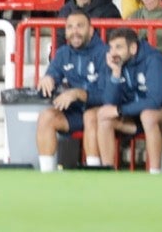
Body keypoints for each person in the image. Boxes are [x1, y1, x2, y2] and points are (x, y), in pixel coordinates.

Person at [34, 10, 108, 172]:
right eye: (70, 27)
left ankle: (94, 174)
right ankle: (46, 175)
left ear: (91, 30)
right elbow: (48, 84)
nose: (74, 32)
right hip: (76, 113)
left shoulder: (105, 53)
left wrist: (78, 94)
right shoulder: (63, 53)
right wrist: (47, 80)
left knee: (91, 116)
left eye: (80, 26)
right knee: (46, 117)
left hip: (102, 113)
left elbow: (107, 96)